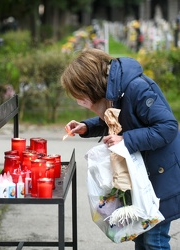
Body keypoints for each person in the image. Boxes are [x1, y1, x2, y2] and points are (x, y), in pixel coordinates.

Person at [61, 48, 180, 249]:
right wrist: (88, 126)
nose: (80, 102)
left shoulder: (136, 88)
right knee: (141, 234)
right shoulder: (115, 89)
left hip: (160, 175)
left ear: (90, 85)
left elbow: (167, 127)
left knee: (154, 239)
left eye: (80, 96)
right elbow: (117, 117)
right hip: (144, 174)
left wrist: (126, 140)